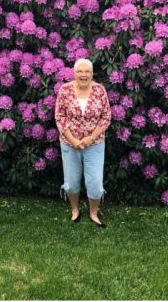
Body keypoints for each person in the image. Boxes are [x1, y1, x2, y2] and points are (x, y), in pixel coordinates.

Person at [54, 58, 111, 228]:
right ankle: (75, 210)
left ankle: (93, 213)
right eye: (80, 71)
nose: (83, 75)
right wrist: (73, 140)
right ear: (74, 73)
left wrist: (90, 138)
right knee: (71, 182)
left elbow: (106, 117)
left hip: (94, 144)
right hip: (70, 143)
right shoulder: (64, 90)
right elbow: (59, 116)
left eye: (87, 71)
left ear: (92, 74)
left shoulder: (100, 91)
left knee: (95, 183)